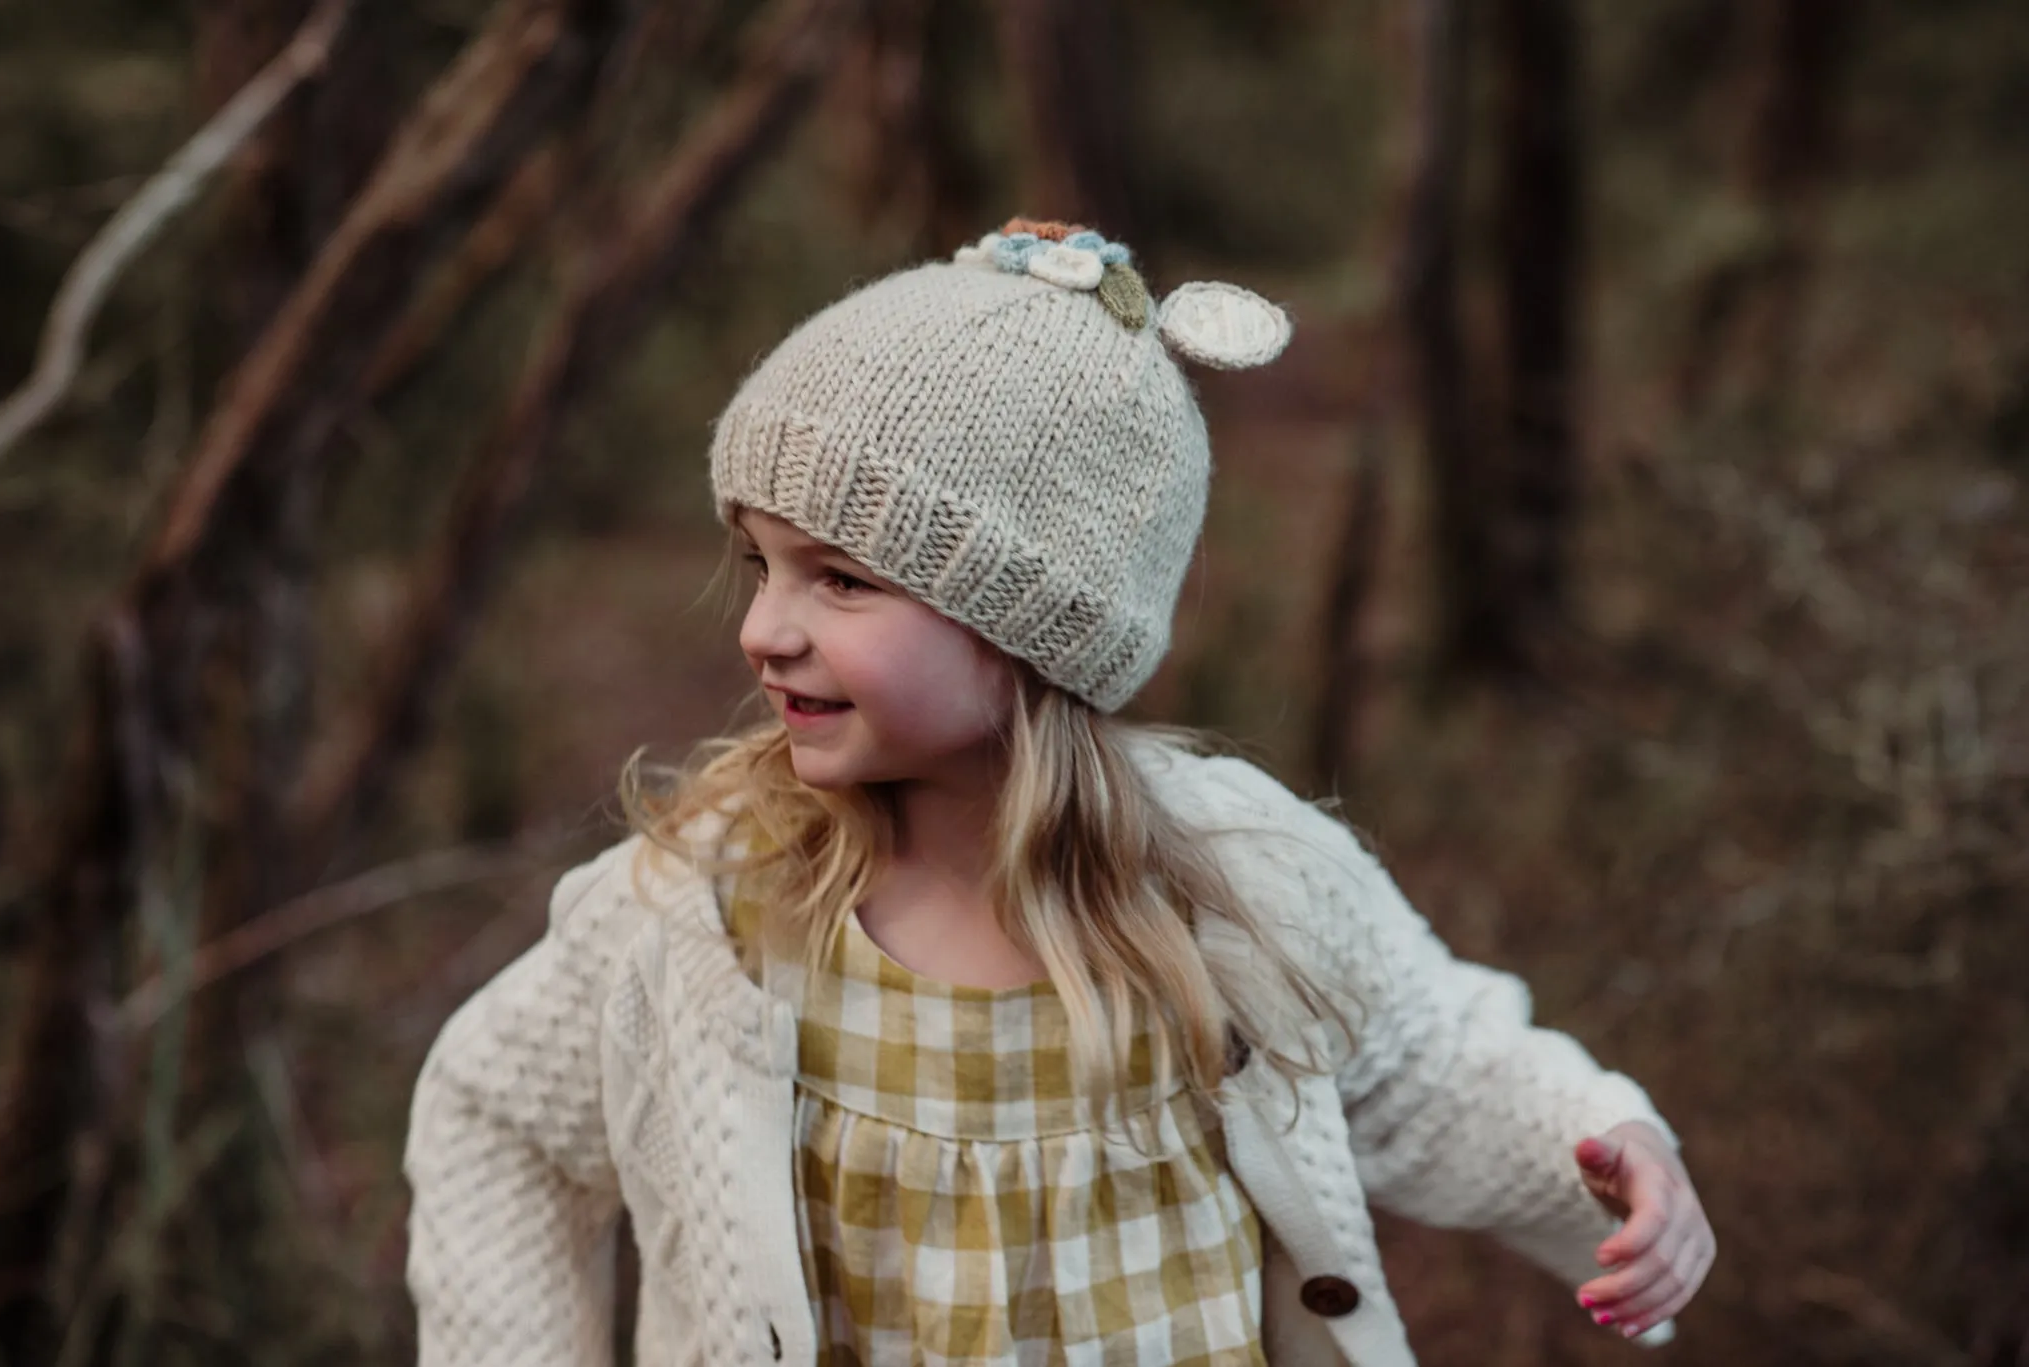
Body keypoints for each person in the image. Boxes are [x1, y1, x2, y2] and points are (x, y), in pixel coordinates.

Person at [402, 219, 1715, 1367]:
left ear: (1034, 624)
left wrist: (1606, 1146)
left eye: (839, 579)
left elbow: (1438, 1058)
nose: (763, 628)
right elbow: (498, 1111)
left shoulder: (1236, 882)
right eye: (758, 564)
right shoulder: (712, 912)